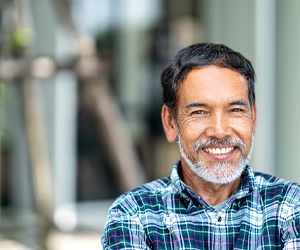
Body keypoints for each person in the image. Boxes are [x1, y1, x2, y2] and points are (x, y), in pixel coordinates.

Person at [101, 43, 300, 249]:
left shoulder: (290, 206)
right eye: (199, 112)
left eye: (235, 110)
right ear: (170, 123)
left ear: (253, 118)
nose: (219, 131)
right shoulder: (135, 215)